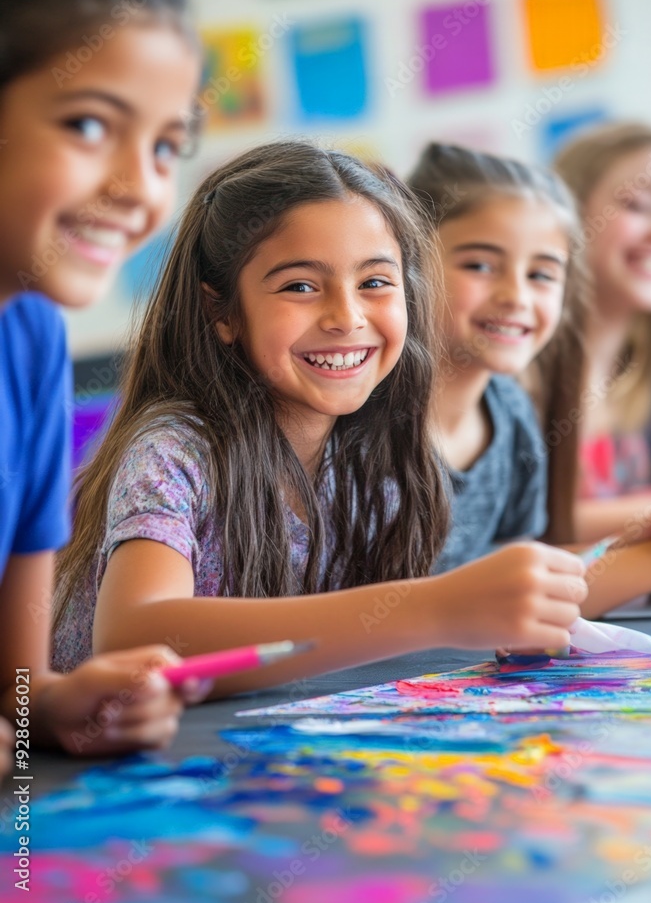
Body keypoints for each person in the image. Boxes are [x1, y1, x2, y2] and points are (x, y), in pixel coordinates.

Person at [52, 139, 588, 696]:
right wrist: (430, 609)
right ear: (223, 311)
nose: (346, 316)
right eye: (300, 286)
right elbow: (133, 637)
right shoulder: (176, 450)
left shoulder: (381, 453)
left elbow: (479, 596)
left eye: (375, 283)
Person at [0, 0, 207, 774]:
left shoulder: (32, 335)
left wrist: (46, 706)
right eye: (89, 124)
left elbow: (12, 691)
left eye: (166, 145)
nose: (139, 188)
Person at [409, 141, 651, 619]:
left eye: (542, 275)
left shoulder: (509, 413)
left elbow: (518, 587)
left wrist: (645, 543)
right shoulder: (365, 419)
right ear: (408, 264)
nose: (516, 296)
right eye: (480, 266)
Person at [554, 122, 651, 542]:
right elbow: (524, 527)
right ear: (568, 215)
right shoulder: (515, 375)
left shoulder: (647, 380)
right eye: (638, 204)